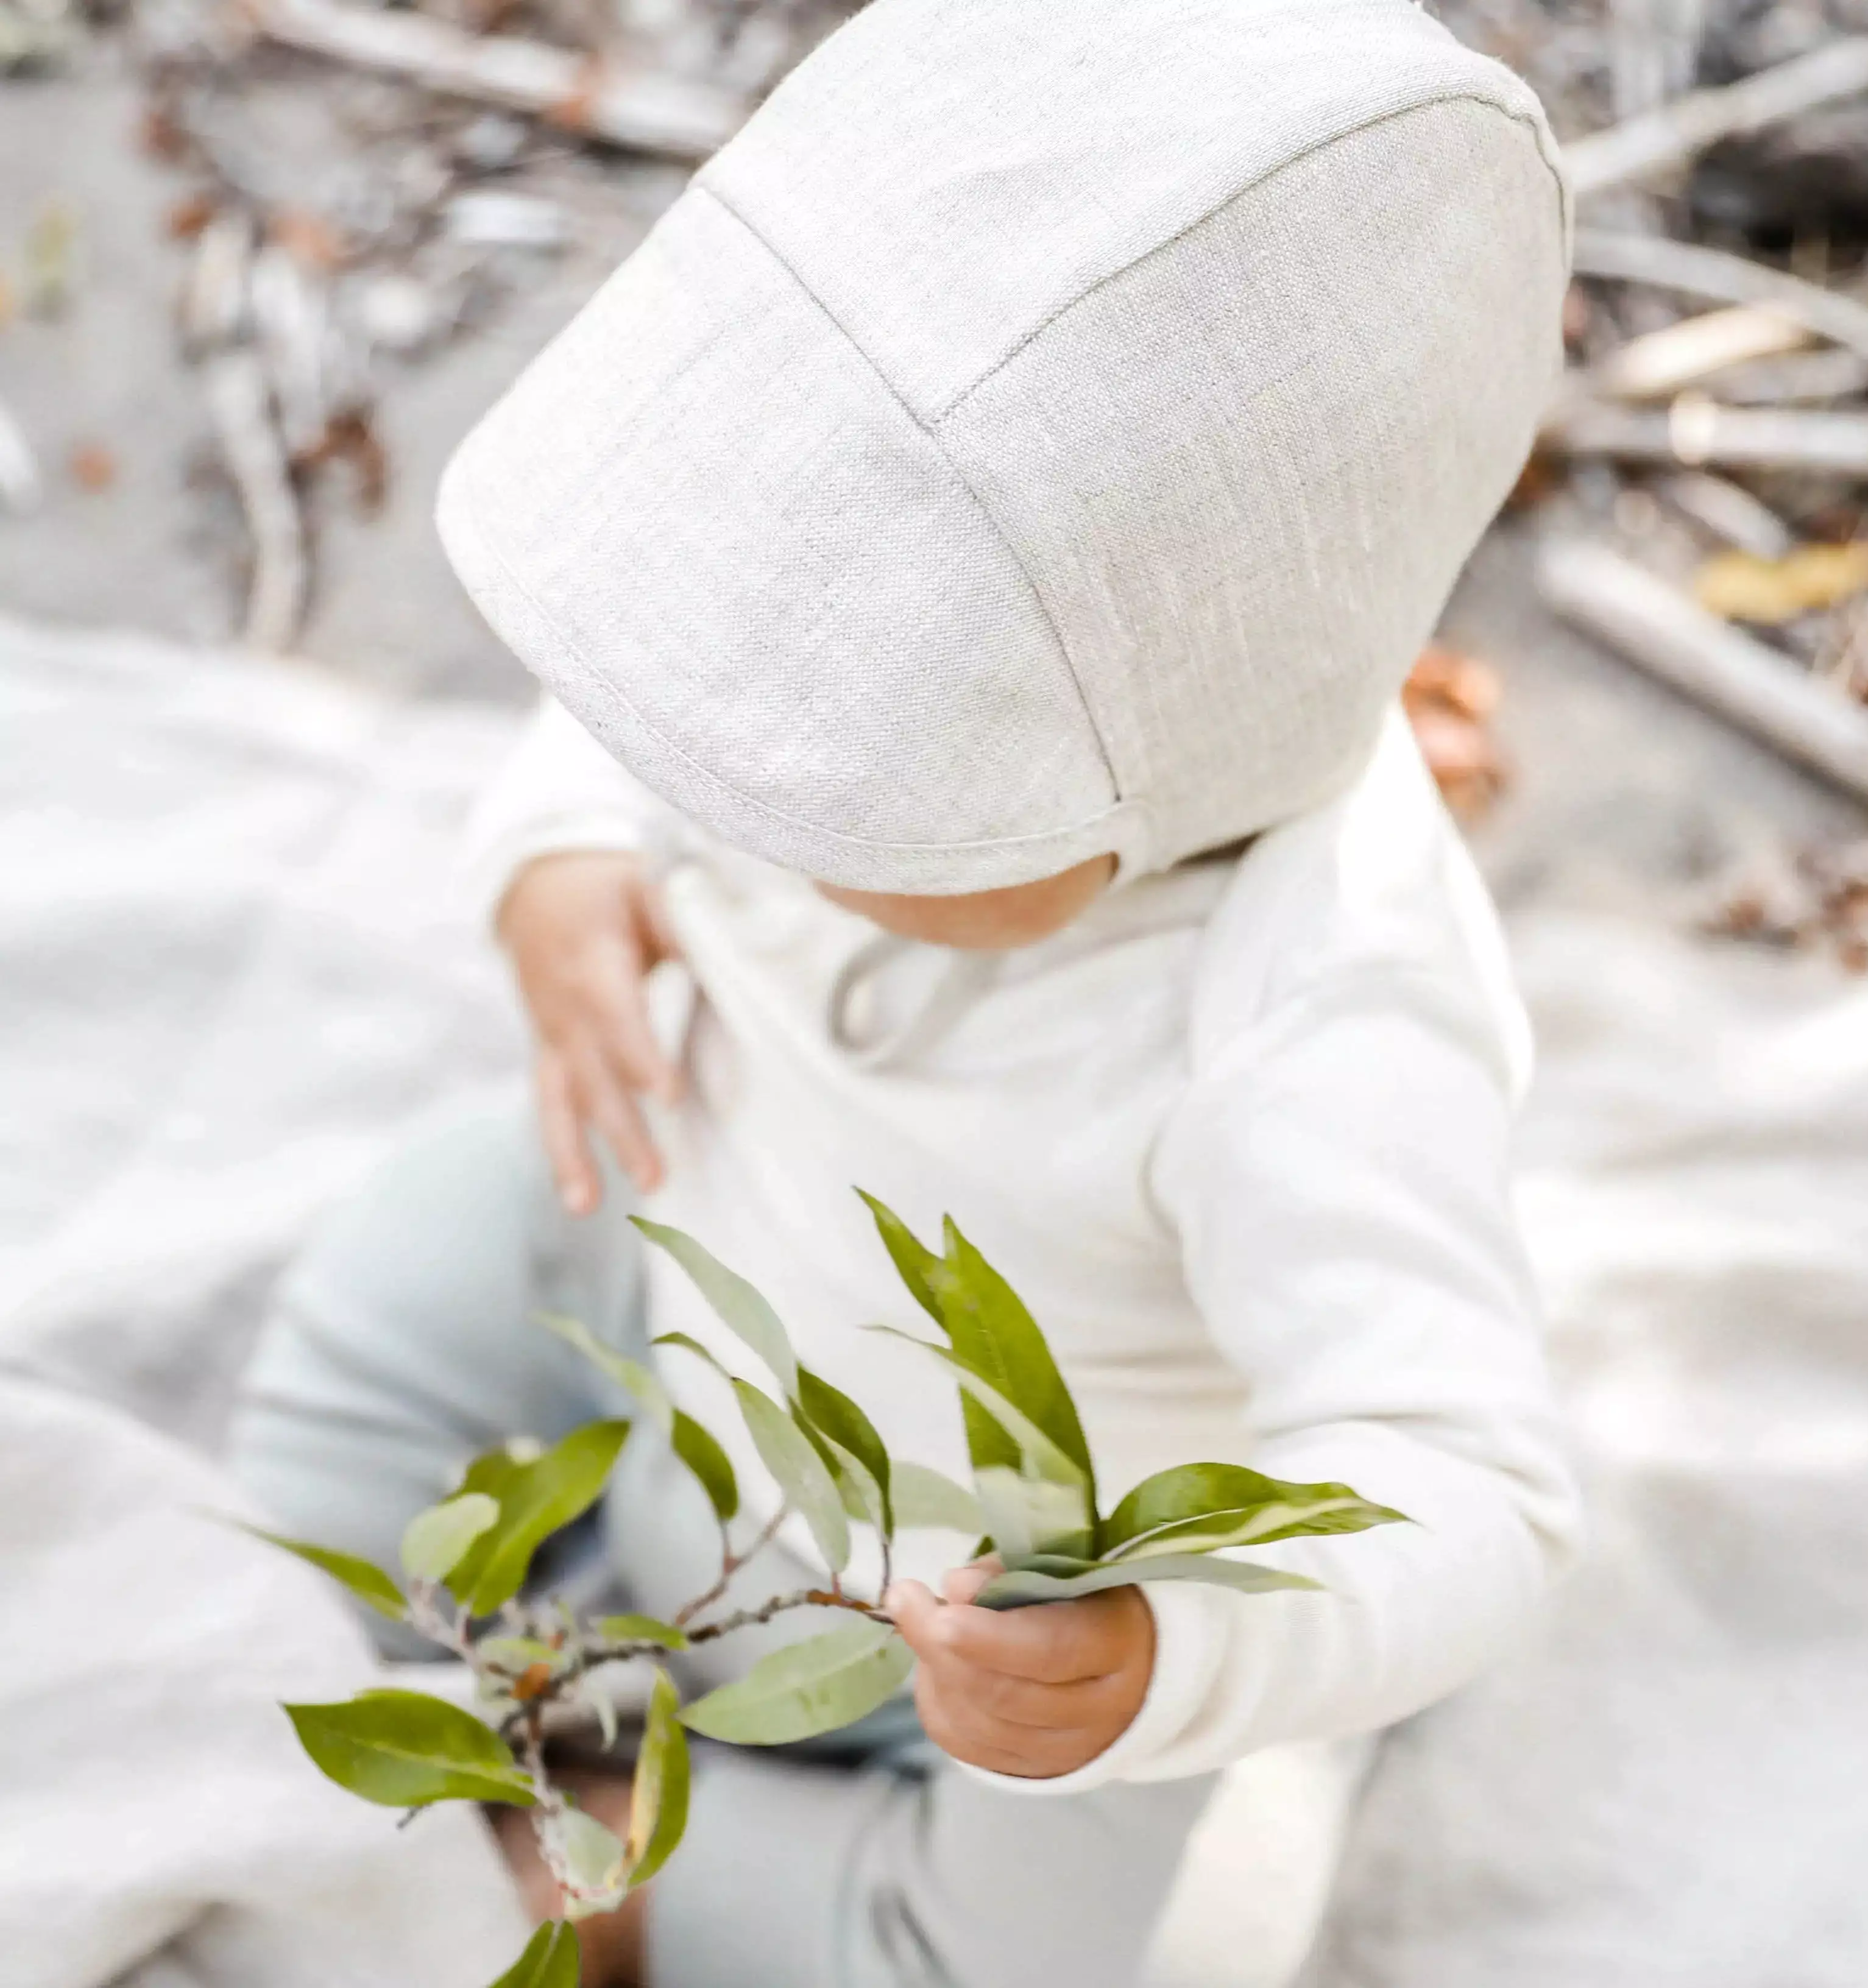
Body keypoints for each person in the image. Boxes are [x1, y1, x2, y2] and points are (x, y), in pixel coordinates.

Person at [229, 1, 1580, 1980]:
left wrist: (1164, 1656)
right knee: (436, 1235)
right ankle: (355, 1643)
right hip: (681, 1268)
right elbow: (653, 691)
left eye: (866, 780)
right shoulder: (783, 687)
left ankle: (649, 1857)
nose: (738, 795)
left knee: (1036, 1943)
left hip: (978, 1630)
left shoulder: (1314, 1035)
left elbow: (1473, 1479)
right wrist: (559, 859)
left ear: (1181, 752)